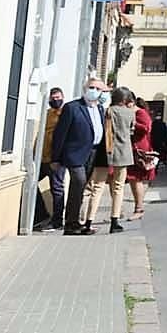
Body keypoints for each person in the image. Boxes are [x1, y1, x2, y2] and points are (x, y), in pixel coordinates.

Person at [53, 78, 105, 235]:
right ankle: (71, 223)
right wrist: (55, 158)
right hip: (74, 154)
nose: (94, 90)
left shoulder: (100, 109)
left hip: (92, 153)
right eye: (91, 87)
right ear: (84, 88)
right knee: (79, 182)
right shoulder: (72, 107)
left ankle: (74, 221)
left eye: (97, 88)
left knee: (81, 187)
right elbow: (60, 134)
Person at [82, 87, 136, 234]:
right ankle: (114, 221)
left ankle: (89, 221)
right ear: (125, 100)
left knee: (97, 187)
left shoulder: (108, 111)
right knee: (118, 188)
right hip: (123, 153)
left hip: (104, 151)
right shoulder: (130, 113)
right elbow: (132, 130)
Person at [40, 87, 65, 229]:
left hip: (57, 159)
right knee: (30, 183)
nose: (55, 100)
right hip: (43, 158)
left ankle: (57, 221)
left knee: (57, 188)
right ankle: (41, 214)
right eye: (53, 98)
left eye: (58, 98)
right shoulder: (47, 114)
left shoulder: (65, 113)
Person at [127, 98, 158, 220]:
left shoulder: (140, 113)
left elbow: (147, 128)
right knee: (133, 179)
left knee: (136, 178)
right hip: (133, 148)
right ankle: (137, 207)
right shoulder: (134, 113)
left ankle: (139, 208)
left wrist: (133, 123)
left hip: (140, 148)